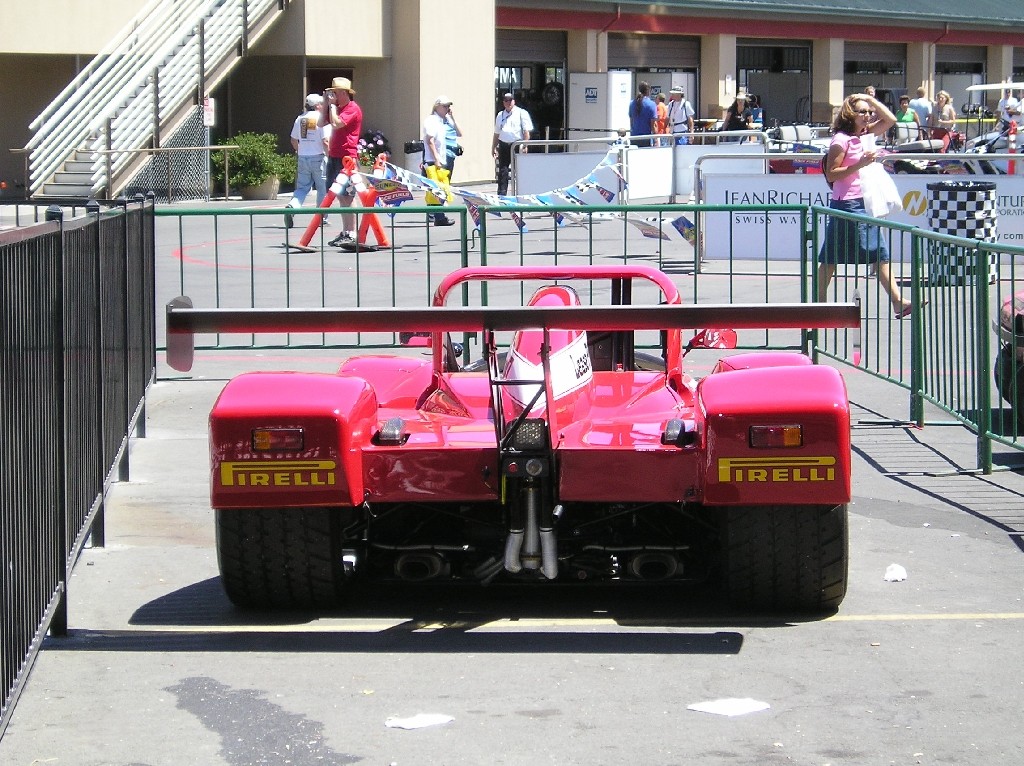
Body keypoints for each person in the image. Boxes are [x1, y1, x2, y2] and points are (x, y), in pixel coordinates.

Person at [817, 93, 915, 318]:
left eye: (869, 112)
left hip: (865, 202)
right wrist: (860, 163)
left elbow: (890, 120)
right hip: (847, 205)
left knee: (878, 253)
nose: (868, 115)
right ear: (850, 114)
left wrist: (870, 100)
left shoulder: (864, 135)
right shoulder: (840, 140)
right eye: (862, 111)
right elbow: (832, 174)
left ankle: (898, 301)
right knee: (832, 256)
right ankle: (819, 305)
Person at [318, 76, 362, 247]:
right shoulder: (336, 108)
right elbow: (321, 123)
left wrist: (332, 108)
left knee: (348, 195)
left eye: (334, 92)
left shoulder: (352, 108)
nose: (332, 95)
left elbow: (337, 124)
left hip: (347, 157)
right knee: (340, 195)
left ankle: (352, 233)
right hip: (334, 155)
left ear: (343, 93)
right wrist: (326, 106)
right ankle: (346, 231)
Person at [284, 93, 329, 229]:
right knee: (322, 188)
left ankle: (293, 206)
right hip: (319, 157)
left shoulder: (300, 119)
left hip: (303, 157)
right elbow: (325, 141)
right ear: (317, 106)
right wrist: (330, 156)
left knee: (302, 188)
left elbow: (293, 140)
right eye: (321, 104)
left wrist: (299, 151)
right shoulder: (322, 119)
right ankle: (321, 216)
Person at [492, 92, 533, 196]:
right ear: (503, 102)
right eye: (506, 100)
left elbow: (526, 132)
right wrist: (493, 147)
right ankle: (501, 195)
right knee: (503, 171)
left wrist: (525, 145)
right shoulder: (500, 115)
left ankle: (521, 193)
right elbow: (497, 133)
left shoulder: (521, 113)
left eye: (510, 100)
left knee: (519, 170)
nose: (508, 102)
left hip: (517, 145)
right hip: (504, 144)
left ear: (514, 101)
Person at [423, 96, 455, 226]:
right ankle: (438, 217)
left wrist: (452, 117)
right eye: (445, 106)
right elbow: (429, 140)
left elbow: (458, 132)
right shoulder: (432, 120)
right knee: (437, 189)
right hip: (433, 160)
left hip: (437, 159)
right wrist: (436, 158)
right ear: (437, 106)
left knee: (437, 189)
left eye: (448, 106)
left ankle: (436, 216)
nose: (447, 109)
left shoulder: (442, 121)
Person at [627, 81, 657, 146]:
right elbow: (653, 126)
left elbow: (631, 122)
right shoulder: (651, 104)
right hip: (646, 138)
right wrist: (656, 139)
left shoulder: (632, 104)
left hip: (634, 136)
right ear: (648, 90)